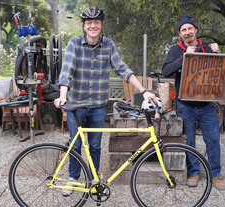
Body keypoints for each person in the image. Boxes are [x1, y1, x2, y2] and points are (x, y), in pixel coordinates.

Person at [54, 7, 155, 196]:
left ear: (102, 25)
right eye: (89, 23)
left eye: (96, 23)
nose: (93, 26)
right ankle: (73, 179)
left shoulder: (108, 45)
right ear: (84, 26)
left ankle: (93, 179)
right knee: (75, 144)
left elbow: (123, 69)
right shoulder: (74, 43)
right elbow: (66, 71)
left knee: (95, 145)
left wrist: (144, 90)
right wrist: (63, 95)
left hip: (98, 106)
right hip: (76, 105)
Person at [162, 15, 225, 190]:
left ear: (195, 30)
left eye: (190, 28)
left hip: (207, 105)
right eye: (183, 30)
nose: (187, 32)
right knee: (189, 142)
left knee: (213, 140)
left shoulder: (207, 48)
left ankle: (215, 174)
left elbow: (220, 72)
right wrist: (184, 56)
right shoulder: (176, 50)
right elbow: (165, 71)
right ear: (179, 33)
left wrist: (218, 53)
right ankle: (194, 173)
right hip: (185, 106)